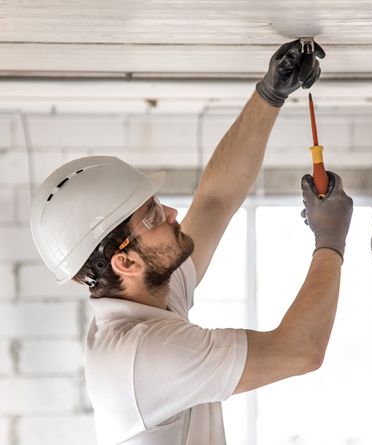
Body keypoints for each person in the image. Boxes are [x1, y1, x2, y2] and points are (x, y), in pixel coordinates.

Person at [30, 39, 353, 445]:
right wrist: (331, 239)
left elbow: (215, 201)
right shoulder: (144, 355)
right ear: (125, 262)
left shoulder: (147, 298)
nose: (172, 215)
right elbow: (300, 350)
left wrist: (270, 94)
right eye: (151, 216)